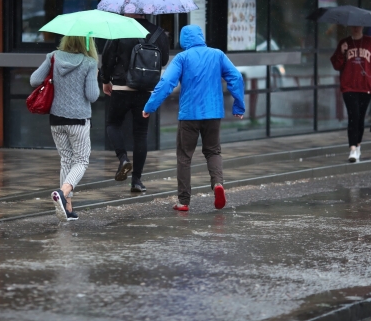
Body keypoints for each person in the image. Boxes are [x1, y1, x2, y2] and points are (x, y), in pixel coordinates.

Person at [142, 25, 245, 212]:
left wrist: (151, 105)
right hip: (213, 113)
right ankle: (217, 184)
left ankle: (184, 201)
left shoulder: (182, 58)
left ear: (183, 40)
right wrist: (238, 105)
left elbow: (167, 82)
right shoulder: (217, 55)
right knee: (213, 151)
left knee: (184, 156)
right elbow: (236, 77)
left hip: (189, 114)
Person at [30, 35, 100, 222]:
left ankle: (67, 207)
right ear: (87, 42)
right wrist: (94, 76)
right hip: (78, 120)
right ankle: (63, 192)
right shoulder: (89, 62)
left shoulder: (53, 57)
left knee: (66, 159)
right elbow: (92, 96)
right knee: (82, 160)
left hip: (56, 119)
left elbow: (34, 80)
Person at [100, 13, 170, 192]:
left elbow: (108, 58)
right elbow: (163, 60)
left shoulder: (120, 30)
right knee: (141, 134)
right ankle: (137, 180)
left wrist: (105, 79)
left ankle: (123, 158)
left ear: (132, 11)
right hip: (145, 90)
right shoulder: (159, 33)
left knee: (113, 124)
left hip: (122, 87)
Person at [330, 25, 371, 163]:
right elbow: (337, 65)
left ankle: (358, 145)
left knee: (360, 117)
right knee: (353, 116)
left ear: (362, 27)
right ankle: (352, 149)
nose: (356, 28)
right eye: (354, 26)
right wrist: (342, 52)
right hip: (349, 86)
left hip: (366, 87)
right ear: (350, 27)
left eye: (359, 26)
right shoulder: (344, 43)